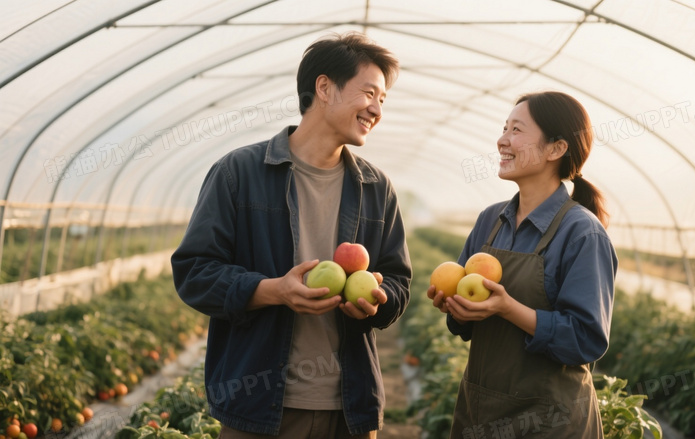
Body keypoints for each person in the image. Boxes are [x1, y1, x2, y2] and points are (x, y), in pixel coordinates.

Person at [171, 32, 412, 439]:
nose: (376, 109)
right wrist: (272, 290)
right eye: (369, 93)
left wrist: (378, 298)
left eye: (383, 100)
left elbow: (398, 280)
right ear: (324, 88)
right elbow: (194, 271)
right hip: (259, 408)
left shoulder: (376, 187)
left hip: (350, 408)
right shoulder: (239, 174)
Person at [428, 91, 617, 438]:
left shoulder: (582, 233)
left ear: (555, 149)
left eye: (516, 130)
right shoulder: (491, 221)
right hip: (480, 411)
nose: (502, 140)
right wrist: (455, 308)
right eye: (504, 128)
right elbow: (464, 324)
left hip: (550, 421)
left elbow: (585, 340)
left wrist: (507, 308)